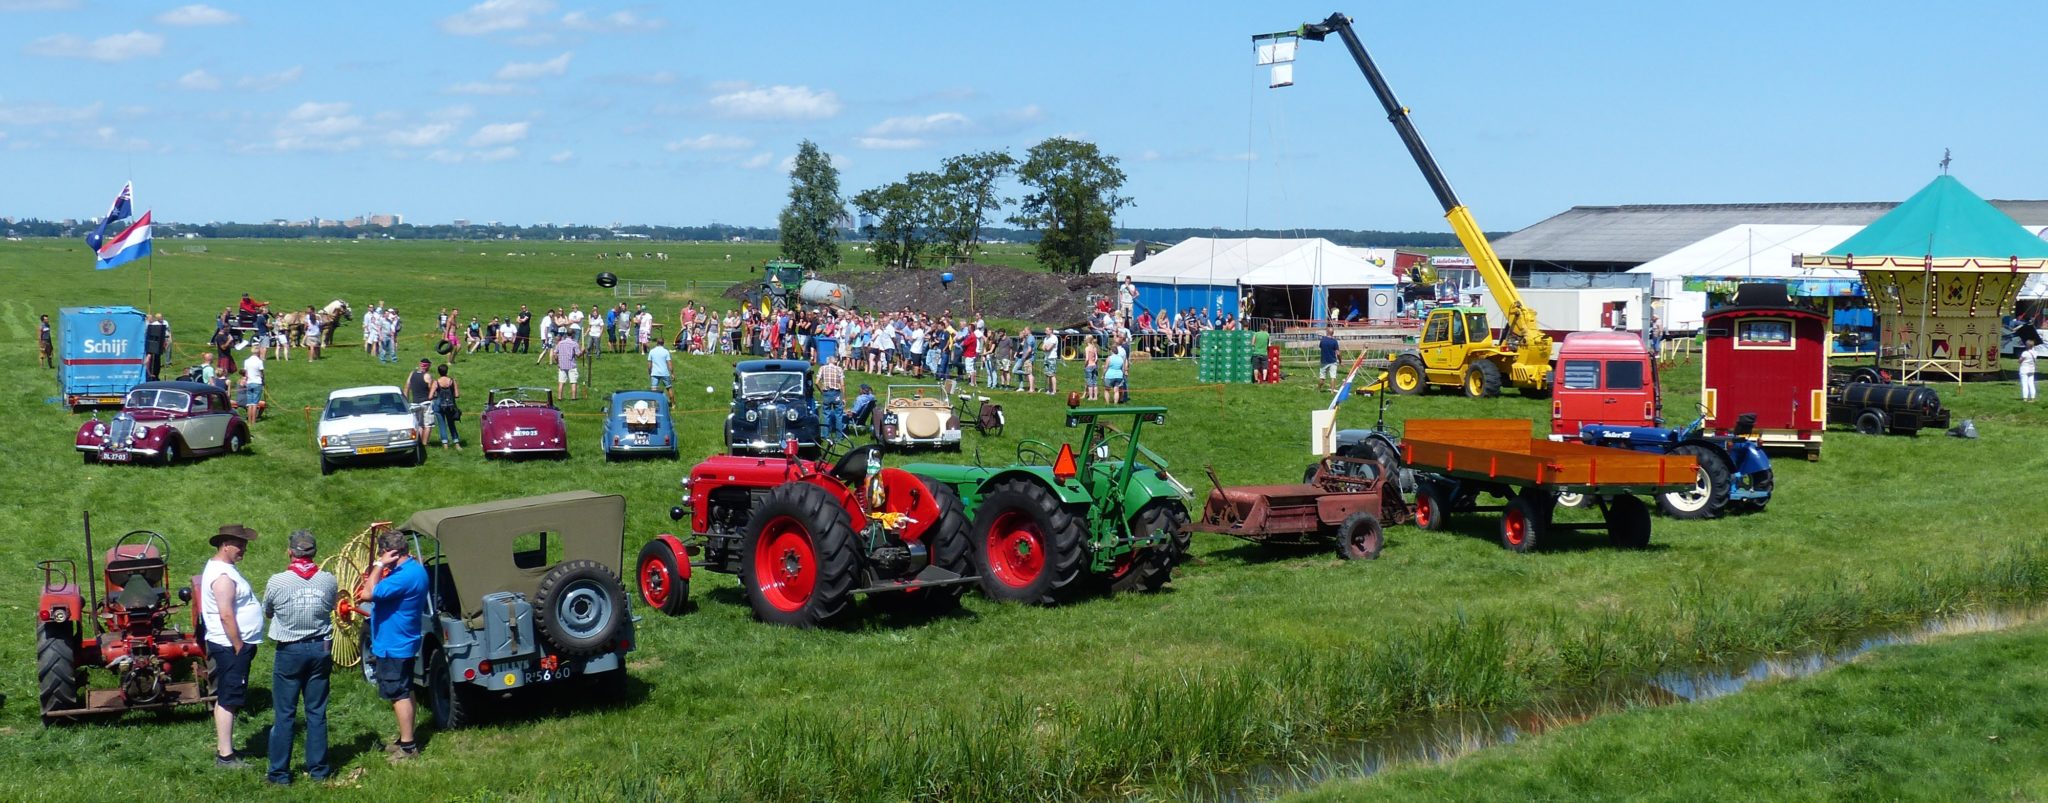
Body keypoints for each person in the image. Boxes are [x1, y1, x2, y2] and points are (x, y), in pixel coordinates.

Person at [262, 529, 337, 786]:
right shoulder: (328, 580)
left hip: (290, 650)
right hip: (320, 648)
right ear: (315, 553)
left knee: (285, 714)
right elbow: (332, 606)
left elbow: (268, 611)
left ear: (290, 552)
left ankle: (279, 773)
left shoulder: (278, 581)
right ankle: (318, 770)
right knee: (317, 711)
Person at [355, 529, 429, 760]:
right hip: (406, 638)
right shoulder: (416, 569)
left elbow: (367, 594)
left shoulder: (401, 578)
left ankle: (408, 747)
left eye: (381, 553)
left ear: (390, 553)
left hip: (394, 642)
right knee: (406, 689)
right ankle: (406, 737)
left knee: (398, 694)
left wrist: (378, 565)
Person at [202, 524, 264, 769]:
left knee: (228, 695)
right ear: (225, 545)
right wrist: (238, 645)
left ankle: (224, 751)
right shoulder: (223, 577)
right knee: (230, 698)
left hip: (231, 645)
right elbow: (226, 614)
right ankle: (225, 756)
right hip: (231, 646)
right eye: (240, 545)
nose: (243, 550)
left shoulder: (225, 569)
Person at [429, 364, 462, 448]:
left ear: (438, 372)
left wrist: (436, 395)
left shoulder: (436, 382)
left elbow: (430, 396)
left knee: (442, 424)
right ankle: (457, 443)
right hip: (450, 405)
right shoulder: (452, 381)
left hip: (439, 405)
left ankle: (445, 444)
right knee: (451, 424)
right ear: (447, 371)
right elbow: (457, 395)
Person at [817, 354, 846, 442]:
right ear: (834, 361)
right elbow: (842, 384)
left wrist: (821, 391)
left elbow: (816, 382)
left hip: (827, 393)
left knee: (826, 414)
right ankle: (839, 437)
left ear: (827, 361)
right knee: (839, 415)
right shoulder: (839, 369)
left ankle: (825, 435)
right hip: (836, 393)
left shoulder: (822, 368)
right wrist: (844, 397)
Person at [554, 330, 584, 401]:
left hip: (562, 366)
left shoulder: (560, 343)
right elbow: (578, 355)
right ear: (573, 334)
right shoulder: (574, 343)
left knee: (561, 382)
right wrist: (583, 351)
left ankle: (559, 397)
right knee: (573, 382)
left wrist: (557, 362)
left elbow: (554, 354)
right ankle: (573, 398)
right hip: (571, 365)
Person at [240, 348, 265, 421]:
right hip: (257, 382)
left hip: (249, 382)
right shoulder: (259, 361)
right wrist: (263, 381)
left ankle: (249, 420)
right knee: (254, 403)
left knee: (249, 403)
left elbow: (246, 373)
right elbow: (261, 373)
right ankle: (253, 421)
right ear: (258, 352)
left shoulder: (246, 361)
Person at [144, 313, 171, 379]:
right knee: (151, 361)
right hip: (151, 346)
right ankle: (151, 374)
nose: (152, 319)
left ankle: (155, 375)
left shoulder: (161, 323)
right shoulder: (148, 325)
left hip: (157, 345)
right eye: (151, 318)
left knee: (156, 361)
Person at [1104, 339, 1128, 404]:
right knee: (1116, 390)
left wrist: (1103, 375)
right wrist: (1123, 374)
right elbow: (1122, 368)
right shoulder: (1121, 359)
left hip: (1109, 376)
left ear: (1112, 351)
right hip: (1119, 376)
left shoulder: (1109, 358)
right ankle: (1115, 403)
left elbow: (1106, 367)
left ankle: (1107, 403)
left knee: (1107, 390)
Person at [1041, 329, 1060, 397]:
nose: (1045, 331)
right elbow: (1042, 347)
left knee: (1052, 374)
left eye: (1047, 330)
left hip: (1052, 357)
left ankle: (1054, 390)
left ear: (1051, 331)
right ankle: (1049, 389)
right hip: (1046, 357)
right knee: (1048, 374)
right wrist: (1045, 347)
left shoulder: (1054, 338)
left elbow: (1049, 348)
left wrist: (1046, 347)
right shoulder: (1046, 338)